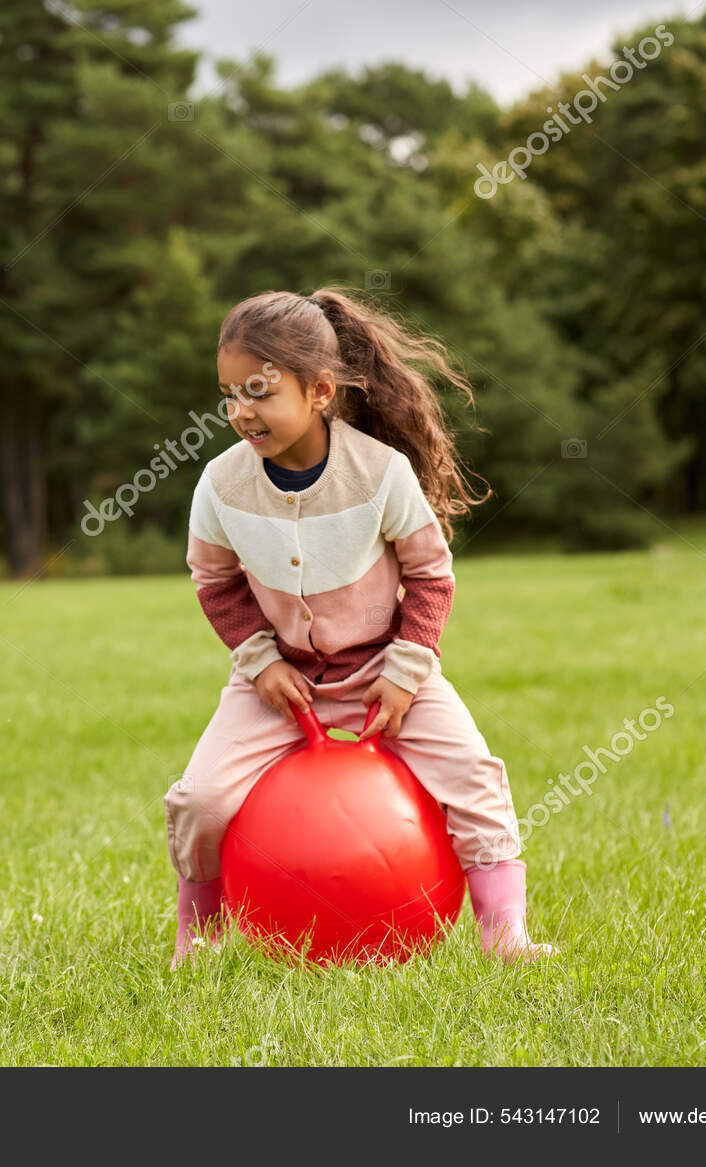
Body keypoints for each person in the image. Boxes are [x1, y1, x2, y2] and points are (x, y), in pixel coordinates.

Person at [166, 286, 555, 969]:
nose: (240, 411)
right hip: (279, 679)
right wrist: (261, 663)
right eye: (229, 393)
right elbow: (215, 582)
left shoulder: (380, 474)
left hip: (387, 669)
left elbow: (432, 576)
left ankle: (506, 938)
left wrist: (406, 673)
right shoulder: (220, 485)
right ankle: (199, 939)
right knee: (199, 799)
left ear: (319, 391)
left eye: (259, 391)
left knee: (475, 777)